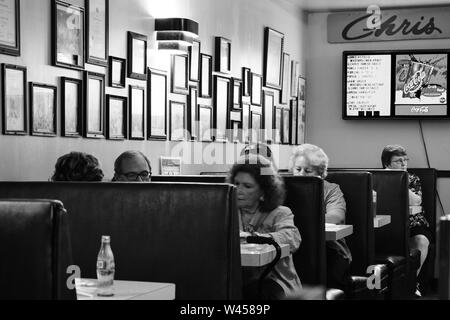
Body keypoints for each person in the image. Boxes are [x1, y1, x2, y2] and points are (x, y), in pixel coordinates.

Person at [227, 154, 302, 300]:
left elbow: (293, 238)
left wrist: (256, 238)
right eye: (236, 184)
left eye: (247, 186)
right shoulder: (226, 212)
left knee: (254, 293)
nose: (238, 190)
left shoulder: (280, 213)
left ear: (263, 191)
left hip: (276, 282)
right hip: (237, 280)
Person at [289, 144, 352, 291]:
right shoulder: (286, 189)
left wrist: (302, 224)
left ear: (320, 173)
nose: (301, 174)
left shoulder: (331, 189)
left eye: (308, 170)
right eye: (298, 169)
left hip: (330, 250)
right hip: (295, 248)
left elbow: (337, 216)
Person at [381, 144, 431, 298]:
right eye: (398, 161)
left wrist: (400, 179)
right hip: (386, 224)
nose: (404, 164)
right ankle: (378, 286)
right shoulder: (376, 178)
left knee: (421, 241)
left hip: (413, 223)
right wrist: (389, 177)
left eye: (405, 160)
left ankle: (411, 283)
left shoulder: (412, 178)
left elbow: (416, 201)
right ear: (387, 164)